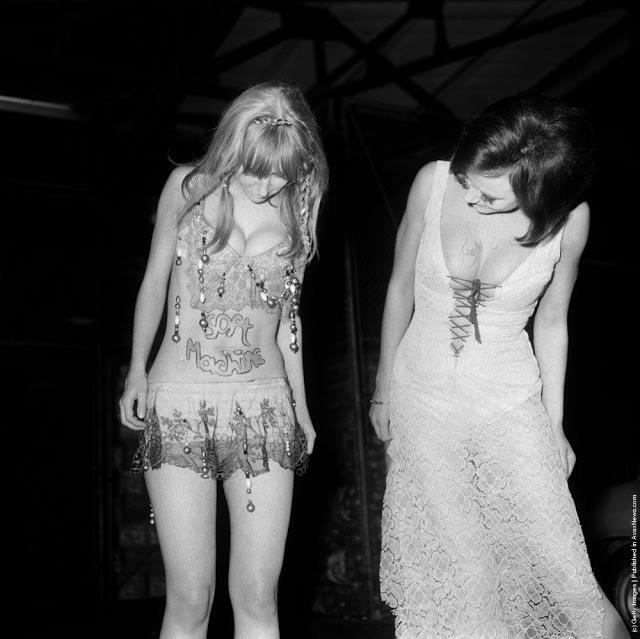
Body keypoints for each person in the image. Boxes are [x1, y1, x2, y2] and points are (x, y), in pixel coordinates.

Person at [370, 94, 628, 638]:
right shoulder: (433, 182)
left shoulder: (570, 221)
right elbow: (398, 289)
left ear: (539, 190)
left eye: (489, 195)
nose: (470, 196)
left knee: (570, 579)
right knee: (464, 572)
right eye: (468, 180)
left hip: (509, 402)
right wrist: (383, 392)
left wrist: (554, 425)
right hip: (422, 399)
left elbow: (552, 322)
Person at [119, 81, 328, 639]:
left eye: (281, 174)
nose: (267, 186)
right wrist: (136, 368)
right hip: (179, 404)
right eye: (256, 172)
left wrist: (301, 408)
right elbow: (153, 281)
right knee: (191, 598)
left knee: (258, 594)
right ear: (234, 147)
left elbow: (289, 321)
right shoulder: (187, 188)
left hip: (264, 409)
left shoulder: (300, 209)